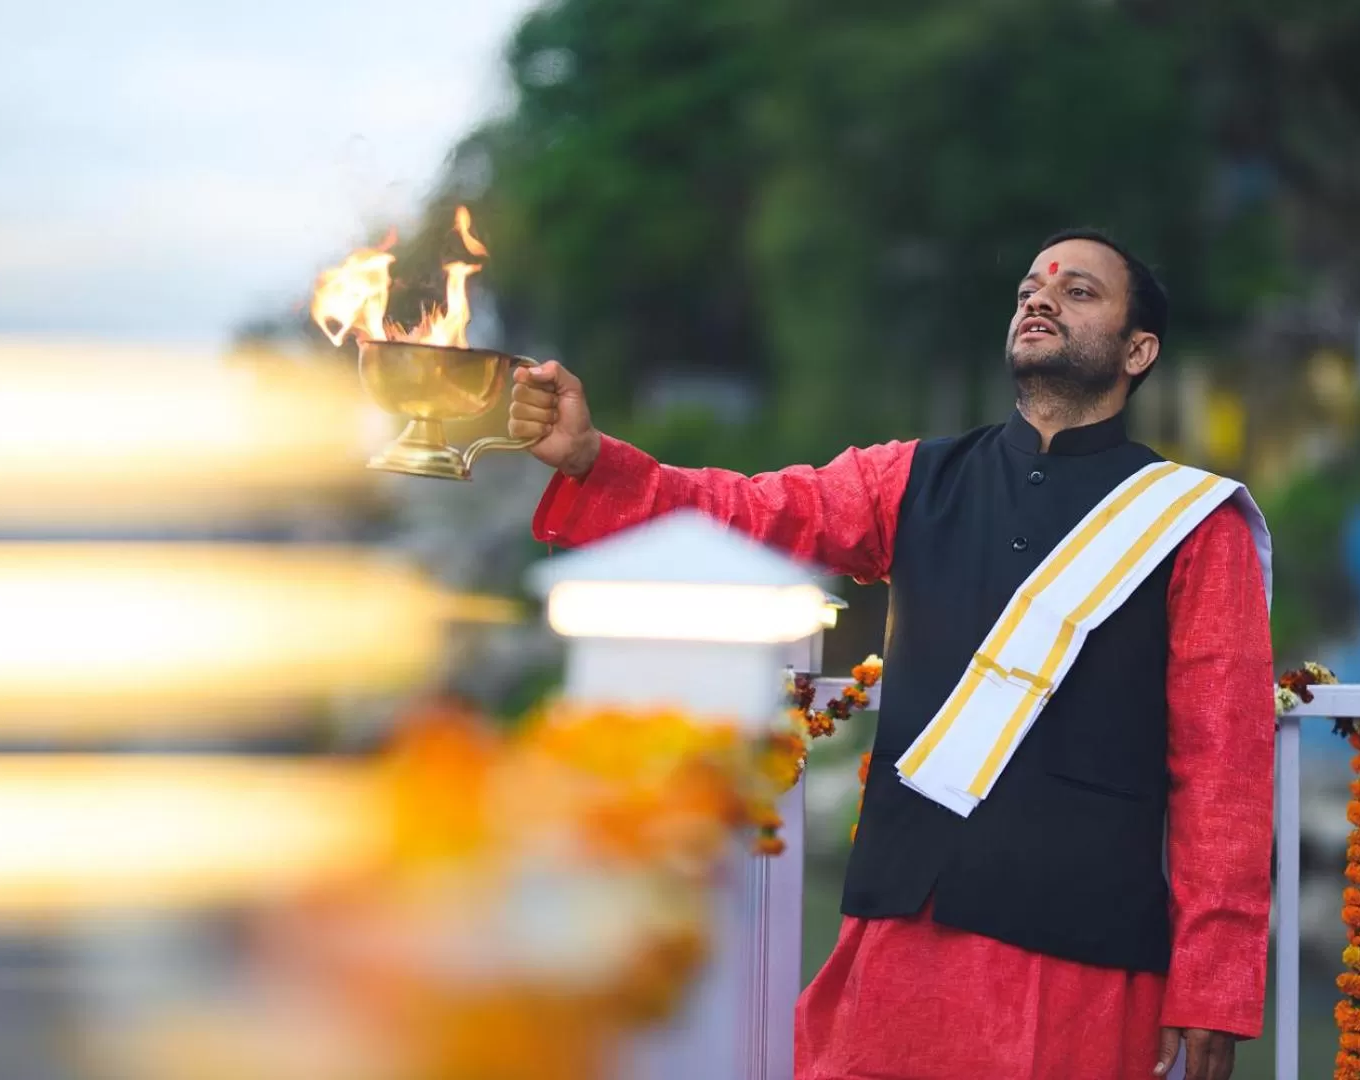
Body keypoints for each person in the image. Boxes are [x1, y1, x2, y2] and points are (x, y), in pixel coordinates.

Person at [508, 229, 1275, 1080]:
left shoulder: (1196, 525)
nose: (1039, 297)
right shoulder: (911, 478)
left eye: (1079, 291)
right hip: (900, 930)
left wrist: (1213, 983)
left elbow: (1224, 773)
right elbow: (750, 512)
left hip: (1080, 953)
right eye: (1027, 287)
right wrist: (591, 463)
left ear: (1139, 350)